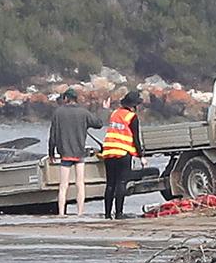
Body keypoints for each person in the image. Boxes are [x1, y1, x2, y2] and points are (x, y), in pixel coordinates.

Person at [47, 88, 106, 216]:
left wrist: (51, 152)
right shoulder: (83, 112)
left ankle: (62, 213)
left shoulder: (58, 113)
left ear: (66, 98)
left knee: (63, 186)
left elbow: (53, 135)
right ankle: (80, 212)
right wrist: (102, 111)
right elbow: (99, 124)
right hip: (79, 153)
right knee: (80, 184)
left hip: (65, 153)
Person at [100, 91, 145, 219]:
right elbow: (136, 138)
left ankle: (107, 214)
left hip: (108, 152)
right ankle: (119, 213)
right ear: (134, 105)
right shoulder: (132, 117)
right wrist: (141, 156)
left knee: (110, 184)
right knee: (121, 183)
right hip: (123, 153)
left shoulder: (114, 114)